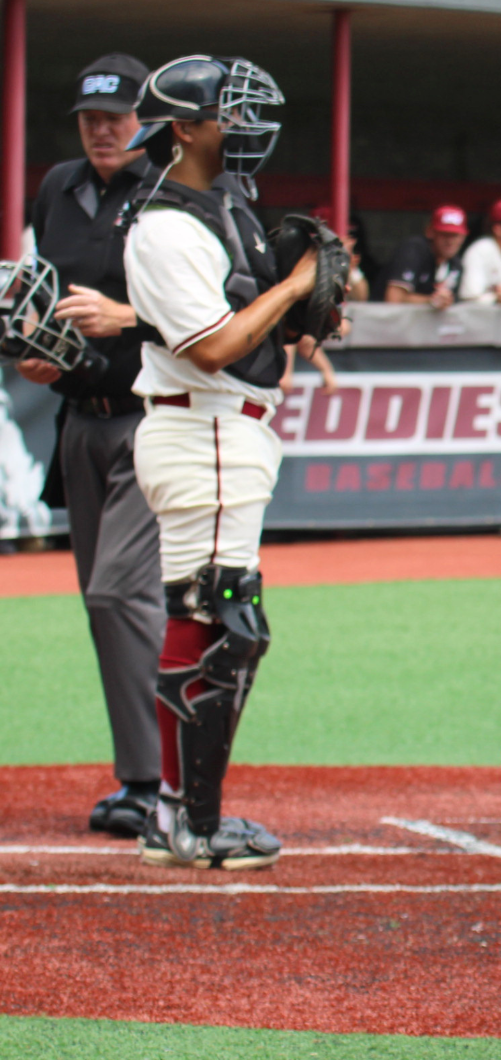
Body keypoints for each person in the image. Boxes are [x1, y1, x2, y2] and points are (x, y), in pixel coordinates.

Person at [122, 54, 321, 870]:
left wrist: (309, 310)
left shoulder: (226, 204)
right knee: (220, 620)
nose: (241, 129)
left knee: (214, 615)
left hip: (225, 430)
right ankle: (188, 821)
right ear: (184, 128)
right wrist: (297, 282)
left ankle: (180, 811)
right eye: (225, 115)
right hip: (200, 425)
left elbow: (257, 329)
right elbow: (211, 347)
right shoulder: (164, 224)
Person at [12, 52, 166, 836]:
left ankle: (165, 779)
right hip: (79, 421)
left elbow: (211, 310)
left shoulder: (176, 188)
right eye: (89, 117)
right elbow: (47, 299)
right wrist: (39, 350)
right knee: (102, 603)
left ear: (147, 117)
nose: (101, 129)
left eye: (116, 115)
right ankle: (141, 779)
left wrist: (126, 318)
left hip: (152, 418)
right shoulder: (57, 186)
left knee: (119, 593)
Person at [383, 204, 465, 308]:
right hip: (382, 320)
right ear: (430, 232)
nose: (450, 241)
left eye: (455, 235)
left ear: (463, 237)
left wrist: (441, 301)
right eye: (445, 234)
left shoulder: (455, 264)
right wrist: (431, 301)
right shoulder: (413, 250)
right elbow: (393, 299)